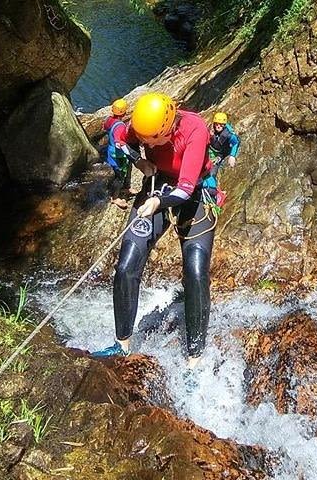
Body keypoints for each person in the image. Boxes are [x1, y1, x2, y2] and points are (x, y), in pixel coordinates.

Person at [91, 92, 217, 370]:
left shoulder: (194, 129)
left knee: (195, 272)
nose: (146, 143)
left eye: (152, 141)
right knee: (126, 265)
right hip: (157, 185)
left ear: (168, 127)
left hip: (194, 193)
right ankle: (121, 344)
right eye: (144, 139)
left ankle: (194, 359)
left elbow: (184, 189)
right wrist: (139, 160)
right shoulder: (143, 126)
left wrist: (158, 202)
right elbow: (122, 140)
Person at [103, 98, 134, 209]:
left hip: (111, 152)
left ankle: (127, 187)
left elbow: (105, 128)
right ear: (124, 112)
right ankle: (115, 198)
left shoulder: (109, 120)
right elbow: (118, 141)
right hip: (118, 155)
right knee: (119, 175)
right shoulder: (120, 126)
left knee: (125, 170)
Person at [203, 111, 240, 191]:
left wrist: (232, 156)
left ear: (224, 125)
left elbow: (236, 142)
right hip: (210, 149)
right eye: (216, 124)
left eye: (221, 124)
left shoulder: (228, 135)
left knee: (212, 172)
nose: (218, 126)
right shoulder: (211, 129)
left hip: (220, 154)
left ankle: (212, 190)